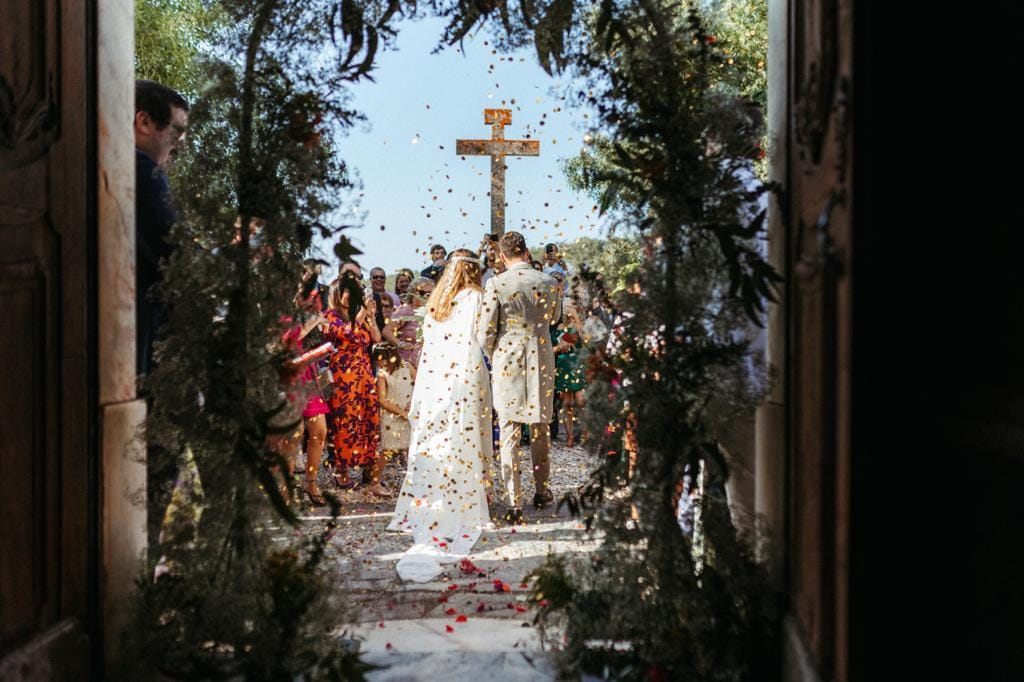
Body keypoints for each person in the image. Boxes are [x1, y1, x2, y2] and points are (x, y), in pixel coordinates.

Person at [387, 249, 494, 582]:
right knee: (463, 439)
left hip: (433, 382)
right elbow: (481, 340)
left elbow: (429, 349)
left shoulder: (435, 303)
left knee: (435, 443)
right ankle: (461, 502)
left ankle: (433, 499)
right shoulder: (476, 297)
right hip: (463, 378)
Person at [478, 231, 562, 523]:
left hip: (507, 359)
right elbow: (553, 319)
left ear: (502, 256)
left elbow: (485, 330)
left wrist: (495, 354)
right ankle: (542, 490)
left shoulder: (496, 283)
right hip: (540, 355)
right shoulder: (550, 282)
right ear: (527, 252)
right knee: (540, 426)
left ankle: (514, 501)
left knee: (510, 429)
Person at [135, 79, 189, 378]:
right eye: (176, 131)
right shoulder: (143, 172)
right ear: (144, 121)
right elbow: (178, 257)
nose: (180, 145)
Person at [322, 274, 387, 496]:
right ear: (338, 294)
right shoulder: (329, 316)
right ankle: (342, 471)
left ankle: (368, 471)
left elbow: (376, 338)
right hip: (343, 373)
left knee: (367, 419)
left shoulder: (357, 314)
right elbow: (344, 333)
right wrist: (360, 315)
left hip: (364, 372)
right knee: (345, 421)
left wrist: (370, 316)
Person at [374, 342, 416, 469]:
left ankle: (414, 479)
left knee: (412, 448)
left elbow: (419, 386)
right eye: (379, 363)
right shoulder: (382, 375)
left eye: (385, 363)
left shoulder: (407, 367)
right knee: (387, 451)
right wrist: (401, 412)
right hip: (391, 417)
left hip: (409, 414)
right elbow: (382, 400)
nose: (381, 366)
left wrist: (412, 403)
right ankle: (374, 483)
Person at [552, 302, 587, 447]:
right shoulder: (557, 328)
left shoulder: (580, 326)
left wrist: (577, 319)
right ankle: (570, 436)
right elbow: (549, 349)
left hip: (577, 366)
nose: (569, 311)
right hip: (562, 367)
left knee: (581, 401)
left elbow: (586, 341)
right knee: (567, 404)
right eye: (566, 308)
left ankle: (585, 434)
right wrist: (560, 347)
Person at [386, 276, 433, 367]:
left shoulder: (432, 312)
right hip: (408, 364)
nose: (426, 296)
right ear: (412, 293)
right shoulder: (406, 310)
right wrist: (400, 344)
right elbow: (387, 331)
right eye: (422, 292)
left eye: (430, 293)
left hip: (427, 364)